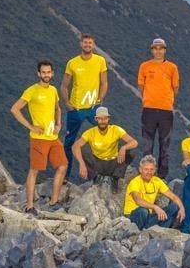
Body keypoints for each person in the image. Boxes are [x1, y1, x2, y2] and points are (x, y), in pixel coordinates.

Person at [9, 59, 67, 213]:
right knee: (35, 170)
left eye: (48, 72)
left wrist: (59, 124)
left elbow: (58, 109)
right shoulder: (32, 90)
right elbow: (15, 109)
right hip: (38, 138)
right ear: (38, 73)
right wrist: (30, 126)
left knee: (62, 166)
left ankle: (54, 202)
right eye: (43, 72)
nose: (46, 75)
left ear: (52, 73)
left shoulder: (53, 90)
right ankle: (29, 206)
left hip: (53, 138)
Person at [61, 33, 108, 179]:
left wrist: (100, 99)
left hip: (94, 108)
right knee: (68, 143)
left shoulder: (100, 60)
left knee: (106, 137)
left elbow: (104, 82)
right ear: (80, 44)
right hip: (76, 109)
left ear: (93, 45)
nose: (88, 45)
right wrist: (67, 104)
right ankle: (65, 176)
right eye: (85, 43)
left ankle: (105, 172)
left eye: (90, 43)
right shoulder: (72, 63)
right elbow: (63, 85)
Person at [137, 37, 179, 175]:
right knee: (148, 144)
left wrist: (167, 100)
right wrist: (147, 100)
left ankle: (161, 175)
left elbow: (175, 88)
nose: (158, 51)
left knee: (164, 144)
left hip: (166, 110)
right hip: (148, 109)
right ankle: (146, 172)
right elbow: (141, 86)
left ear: (165, 50)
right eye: (155, 48)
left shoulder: (172, 67)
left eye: (161, 48)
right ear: (152, 50)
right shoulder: (145, 66)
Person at [70, 106, 137, 189]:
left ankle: (115, 178)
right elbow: (75, 146)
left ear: (108, 119)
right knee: (82, 149)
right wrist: (81, 163)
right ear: (96, 119)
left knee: (131, 151)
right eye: (100, 119)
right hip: (98, 162)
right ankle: (95, 177)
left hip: (114, 161)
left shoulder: (116, 129)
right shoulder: (90, 132)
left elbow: (134, 142)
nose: (102, 121)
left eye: (105, 118)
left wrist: (123, 148)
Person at [124, 155, 184, 230]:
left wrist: (182, 208)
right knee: (143, 211)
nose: (149, 172)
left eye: (151, 169)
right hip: (133, 215)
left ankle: (158, 230)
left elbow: (173, 197)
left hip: (149, 217)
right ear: (140, 170)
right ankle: (146, 230)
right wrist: (155, 207)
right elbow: (138, 200)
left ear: (155, 170)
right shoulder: (135, 182)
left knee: (174, 207)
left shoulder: (157, 181)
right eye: (146, 169)